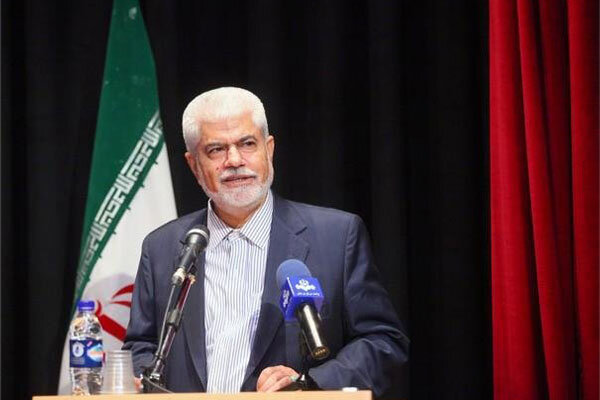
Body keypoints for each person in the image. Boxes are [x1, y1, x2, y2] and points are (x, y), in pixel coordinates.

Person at [123, 87, 409, 397]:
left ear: (268, 149)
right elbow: (141, 347)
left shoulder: (337, 237)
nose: (234, 160)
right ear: (194, 164)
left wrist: (309, 383)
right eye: (216, 149)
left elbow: (383, 342)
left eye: (247, 143)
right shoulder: (162, 248)